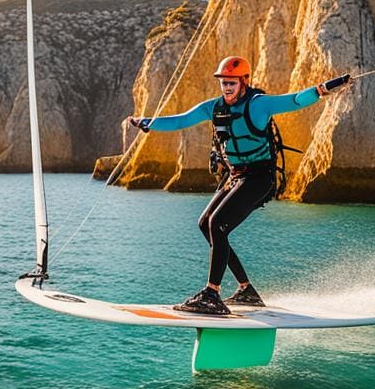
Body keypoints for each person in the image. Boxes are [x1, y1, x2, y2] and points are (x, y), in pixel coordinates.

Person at [126, 56, 352, 315]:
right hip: (235, 176)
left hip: (259, 178)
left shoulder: (257, 104)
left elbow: (294, 100)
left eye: (231, 82)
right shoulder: (214, 107)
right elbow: (180, 120)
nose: (227, 88)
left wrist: (323, 89)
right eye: (223, 83)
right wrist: (147, 123)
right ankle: (247, 290)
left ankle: (212, 294)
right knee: (206, 225)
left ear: (244, 81)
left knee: (217, 224)